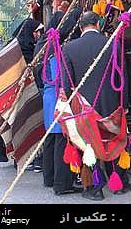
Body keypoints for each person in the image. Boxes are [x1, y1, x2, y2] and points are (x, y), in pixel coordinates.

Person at [62, 11, 131, 201]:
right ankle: (119, 184)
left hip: (85, 107)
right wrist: (124, 103)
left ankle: (94, 189)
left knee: (89, 146)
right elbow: (122, 76)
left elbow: (66, 84)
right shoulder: (112, 43)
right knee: (112, 142)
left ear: (80, 26)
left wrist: (72, 105)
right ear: (98, 24)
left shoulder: (68, 48)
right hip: (111, 103)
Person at [39, 11, 82, 195]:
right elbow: (61, 78)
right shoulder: (58, 47)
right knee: (61, 140)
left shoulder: (45, 44)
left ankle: (49, 178)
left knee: (51, 138)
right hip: (58, 95)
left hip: (48, 96)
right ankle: (61, 184)